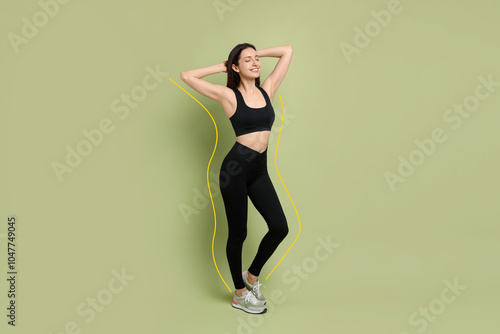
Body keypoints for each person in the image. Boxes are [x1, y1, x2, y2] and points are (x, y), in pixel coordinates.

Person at [180, 43, 293, 314]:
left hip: (259, 170)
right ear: (235, 67)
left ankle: (251, 277)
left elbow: (287, 51)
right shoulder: (228, 96)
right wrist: (223, 65)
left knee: (279, 227)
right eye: (247, 60)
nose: (255, 63)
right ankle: (239, 294)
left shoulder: (267, 90)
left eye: (257, 59)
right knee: (238, 233)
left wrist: (255, 53)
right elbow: (187, 76)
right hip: (235, 170)